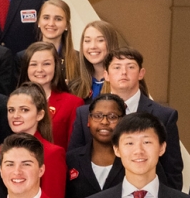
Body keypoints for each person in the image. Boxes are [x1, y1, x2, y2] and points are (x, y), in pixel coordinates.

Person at [67, 47, 183, 190]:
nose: (123, 72)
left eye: (130, 67)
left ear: (141, 73)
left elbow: (172, 172)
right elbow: (74, 162)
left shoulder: (164, 116)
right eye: (116, 67)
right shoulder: (85, 113)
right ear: (106, 75)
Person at [5, 84, 66, 198]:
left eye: (24, 110)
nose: (15, 116)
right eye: (11, 110)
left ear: (40, 114)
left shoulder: (52, 153)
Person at [65, 94, 126, 198]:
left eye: (112, 117)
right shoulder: (71, 160)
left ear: (123, 121)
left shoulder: (133, 160)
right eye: (97, 116)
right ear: (88, 121)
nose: (104, 122)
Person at [18, 41, 84, 149]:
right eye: (33, 64)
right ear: (26, 68)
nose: (40, 70)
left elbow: (74, 149)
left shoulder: (73, 103)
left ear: (56, 67)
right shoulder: (13, 102)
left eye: (46, 64)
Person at [25, 0, 86, 99]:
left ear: (66, 25)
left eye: (58, 19)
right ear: (38, 22)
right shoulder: (23, 57)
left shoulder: (79, 59)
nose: (51, 23)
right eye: (46, 18)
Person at [79, 20, 124, 100]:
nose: (92, 46)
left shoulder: (123, 83)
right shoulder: (75, 87)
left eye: (100, 40)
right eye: (87, 41)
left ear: (111, 43)